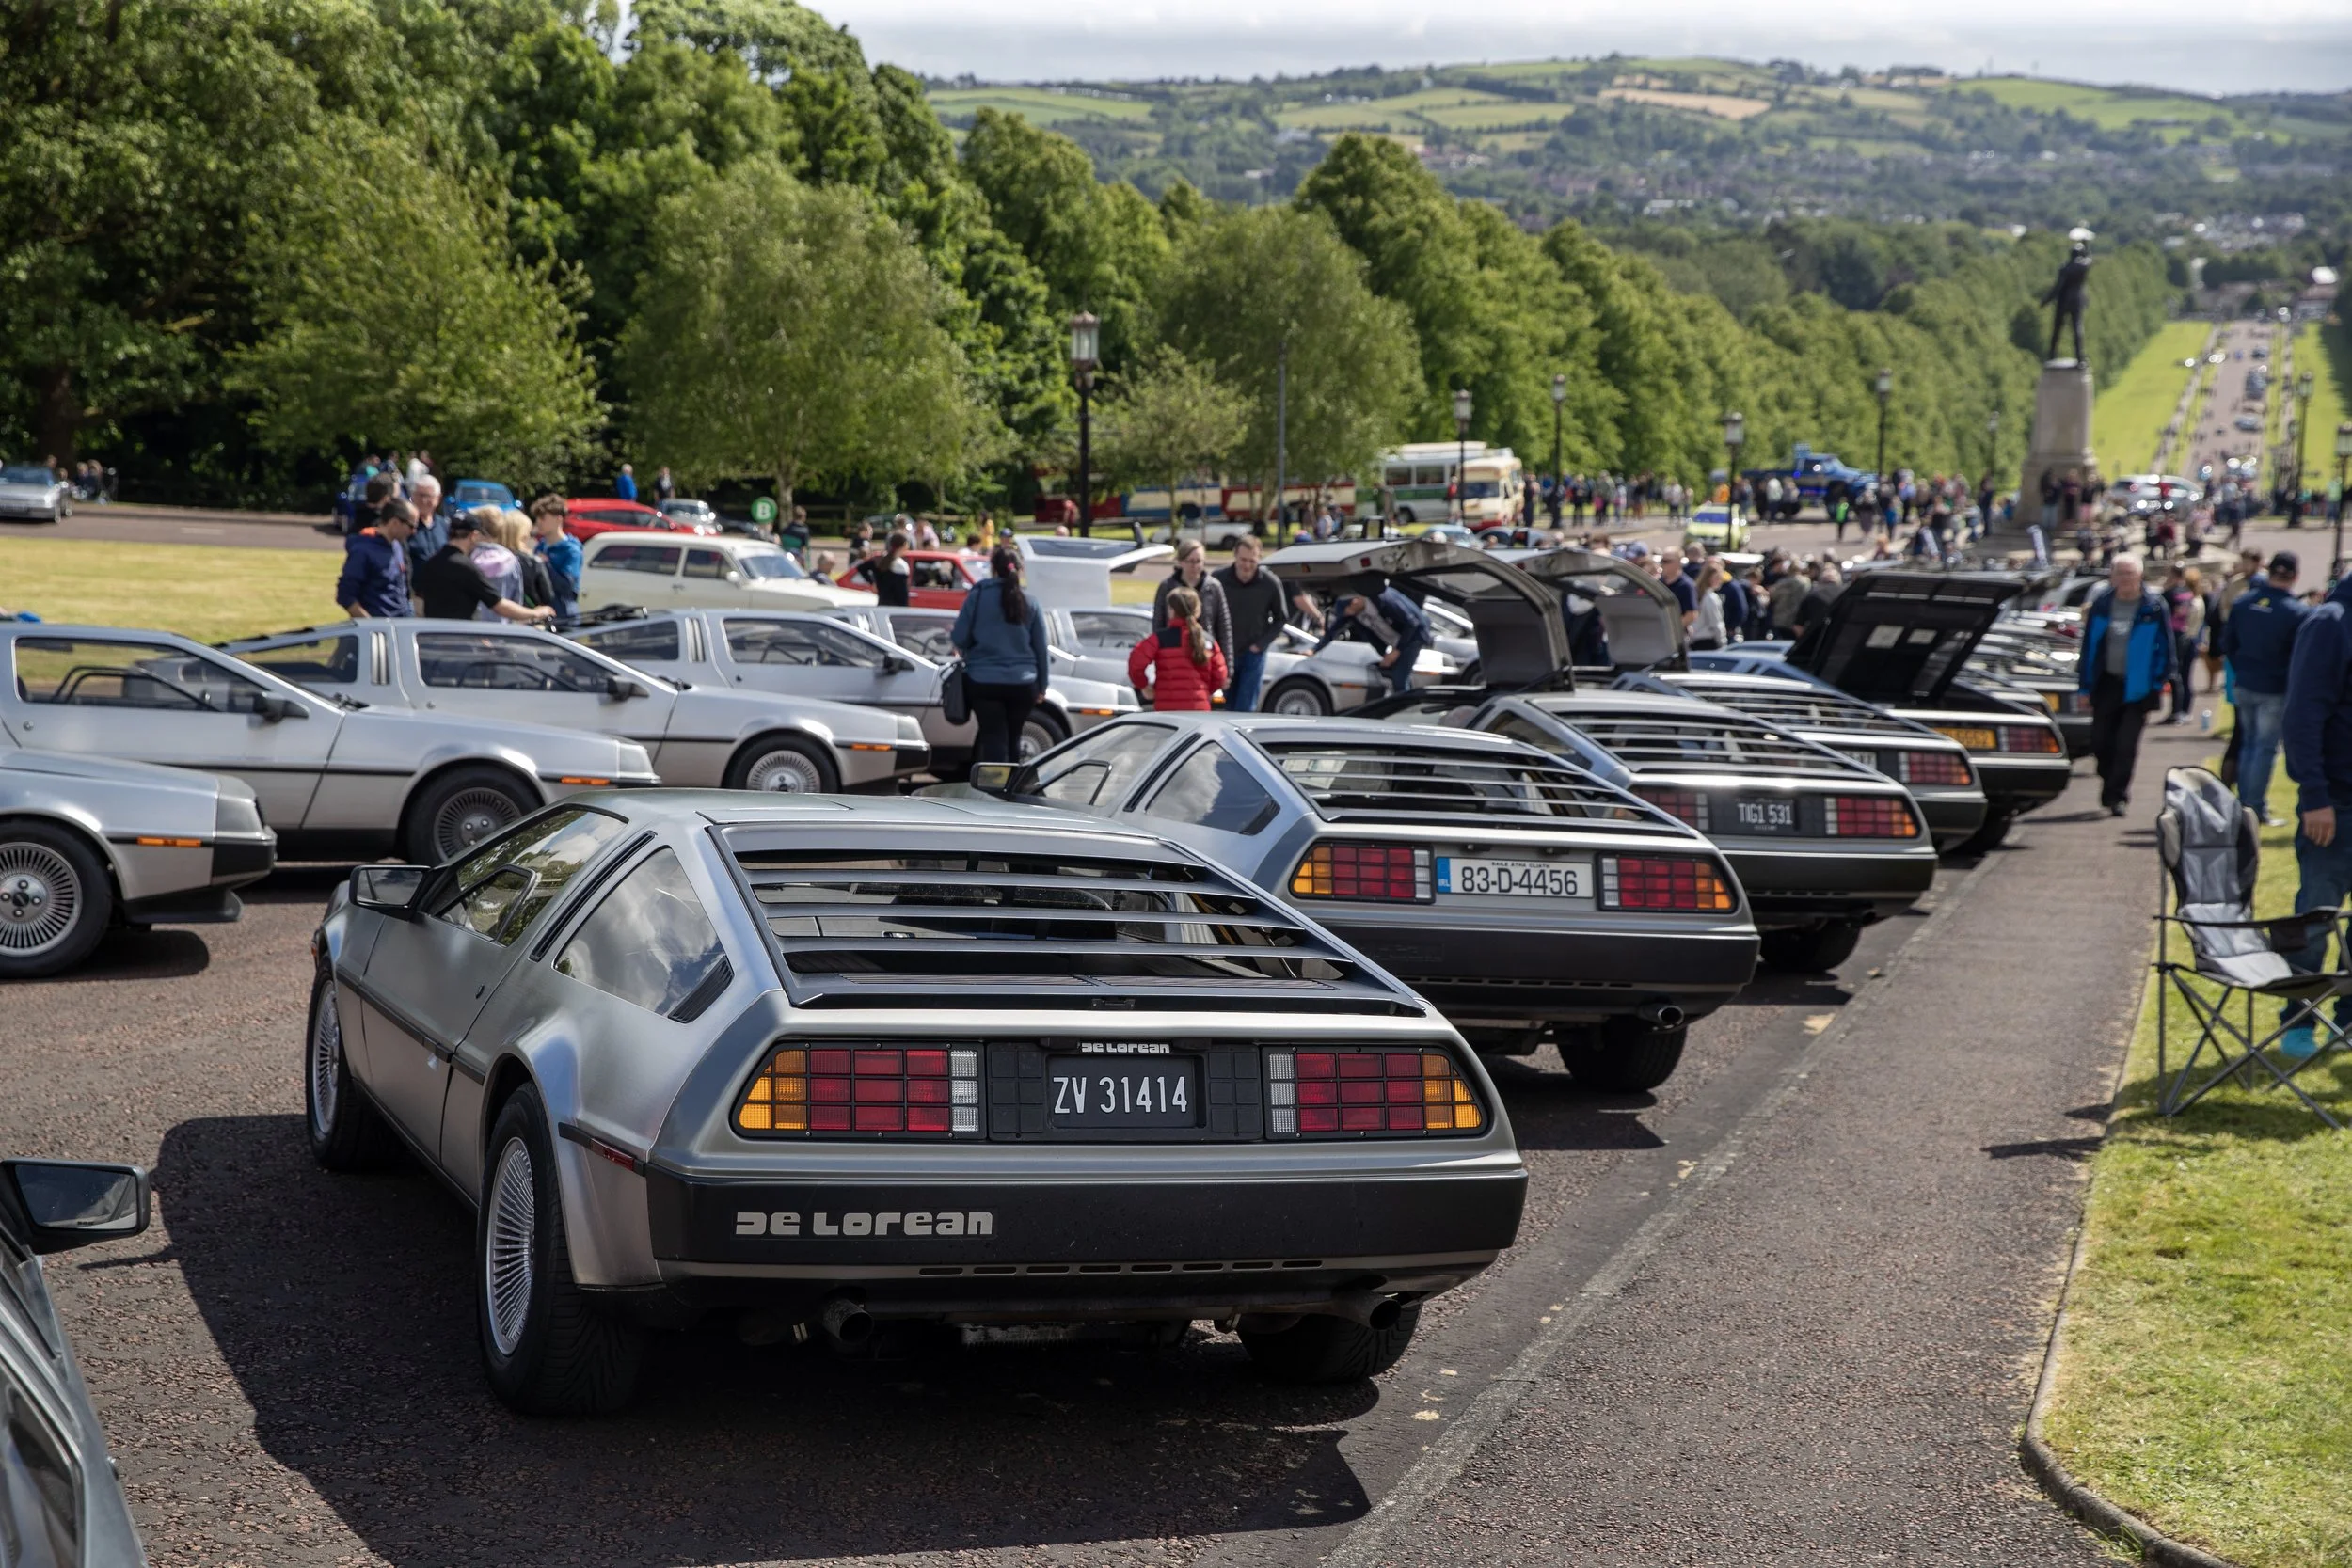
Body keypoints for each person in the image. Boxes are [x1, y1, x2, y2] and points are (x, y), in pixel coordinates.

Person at [2276, 563, 2352, 1057]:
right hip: (2336, 803)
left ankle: (2347, 1022)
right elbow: (2302, 714)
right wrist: (2314, 797)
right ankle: (2299, 1022)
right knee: (2316, 918)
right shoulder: (2330, 622)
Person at [2076, 554, 2174, 817]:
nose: (2125, 579)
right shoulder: (2102, 604)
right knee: (2100, 742)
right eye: (2120, 573)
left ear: (2140, 575)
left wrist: (2159, 680)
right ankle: (2108, 779)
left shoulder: (2153, 606)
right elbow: (2089, 649)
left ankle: (2117, 796)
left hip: (2138, 687)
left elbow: (2166, 648)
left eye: (2130, 573)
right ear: (2112, 576)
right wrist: (2084, 687)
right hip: (2106, 683)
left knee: (2126, 745)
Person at [2221, 551, 2305, 823]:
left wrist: (2242, 668)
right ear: (2294, 576)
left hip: (2245, 682)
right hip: (2274, 688)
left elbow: (2228, 643)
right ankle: (2253, 807)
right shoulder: (2296, 612)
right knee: (2264, 748)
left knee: (2249, 744)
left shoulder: (2244, 602)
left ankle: (2245, 804)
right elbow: (2300, 655)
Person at [950, 545, 1050, 766]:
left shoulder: (978, 596)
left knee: (993, 738)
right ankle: (1013, 790)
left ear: (992, 569)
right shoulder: (1030, 602)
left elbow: (959, 637)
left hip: (983, 680)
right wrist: (1042, 686)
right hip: (1023, 683)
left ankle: (994, 791)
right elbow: (1041, 648)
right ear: (1019, 570)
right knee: (1015, 737)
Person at [415, 515, 552, 623]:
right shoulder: (466, 567)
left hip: (432, 637)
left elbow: (419, 595)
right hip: (458, 640)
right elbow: (499, 605)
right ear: (474, 535)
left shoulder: (431, 562)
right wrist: (536, 613)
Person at [1214, 534, 1287, 712]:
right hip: (1224, 652)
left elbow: (1281, 618)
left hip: (1253, 654)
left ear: (1260, 558)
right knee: (1223, 706)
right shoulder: (1218, 580)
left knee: (1245, 708)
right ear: (1235, 556)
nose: (1246, 566)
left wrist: (1260, 645)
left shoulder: (1270, 583)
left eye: (1252, 561)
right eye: (1243, 560)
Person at [1316, 582, 1429, 697]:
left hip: (1414, 635)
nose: (1350, 615)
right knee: (1394, 675)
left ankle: (1405, 708)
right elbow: (1333, 630)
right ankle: (1402, 698)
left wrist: (1396, 651)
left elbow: (1412, 623)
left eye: (1350, 611)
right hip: (1396, 640)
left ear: (1356, 601)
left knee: (1399, 679)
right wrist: (1315, 650)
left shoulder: (1383, 599)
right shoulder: (1353, 611)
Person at [1128, 586, 1229, 711]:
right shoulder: (1208, 641)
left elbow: (1136, 662)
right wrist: (1204, 691)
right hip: (1199, 708)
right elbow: (1220, 675)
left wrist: (1143, 685)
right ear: (1197, 610)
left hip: (1167, 708)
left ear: (1171, 610)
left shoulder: (1160, 638)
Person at [1152, 538, 1233, 663]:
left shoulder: (1213, 587)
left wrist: (1227, 664)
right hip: (1175, 655)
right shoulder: (1167, 586)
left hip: (1205, 653)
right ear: (1181, 562)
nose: (1195, 566)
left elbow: (1224, 627)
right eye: (1190, 561)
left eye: (1198, 561)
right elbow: (1158, 623)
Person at [335, 499, 416, 618]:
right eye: (411, 526)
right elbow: (345, 595)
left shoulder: (397, 546)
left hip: (400, 627)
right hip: (377, 631)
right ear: (395, 522)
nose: (414, 532)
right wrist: (371, 625)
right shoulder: (362, 551)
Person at [531, 495, 581, 621]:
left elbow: (567, 587)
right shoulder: (540, 546)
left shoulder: (571, 550)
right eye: (537, 518)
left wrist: (545, 564)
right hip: (542, 614)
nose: (538, 522)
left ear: (558, 519)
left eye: (543, 518)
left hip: (563, 618)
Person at [854, 531, 914, 607]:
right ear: (905, 544)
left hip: (882, 605)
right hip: (896, 609)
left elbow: (861, 568)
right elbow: (902, 596)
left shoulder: (879, 561)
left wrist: (872, 583)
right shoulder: (901, 566)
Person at [1792, 564, 1843, 640]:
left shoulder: (1812, 595)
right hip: (1840, 639)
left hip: (1816, 639)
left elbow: (1798, 626)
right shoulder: (1846, 593)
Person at [1688, 561, 1728, 651]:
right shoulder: (1711, 597)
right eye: (1718, 577)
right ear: (1710, 579)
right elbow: (1716, 624)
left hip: (1694, 642)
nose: (1720, 580)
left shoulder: (1697, 594)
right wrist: (1723, 643)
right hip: (1708, 643)